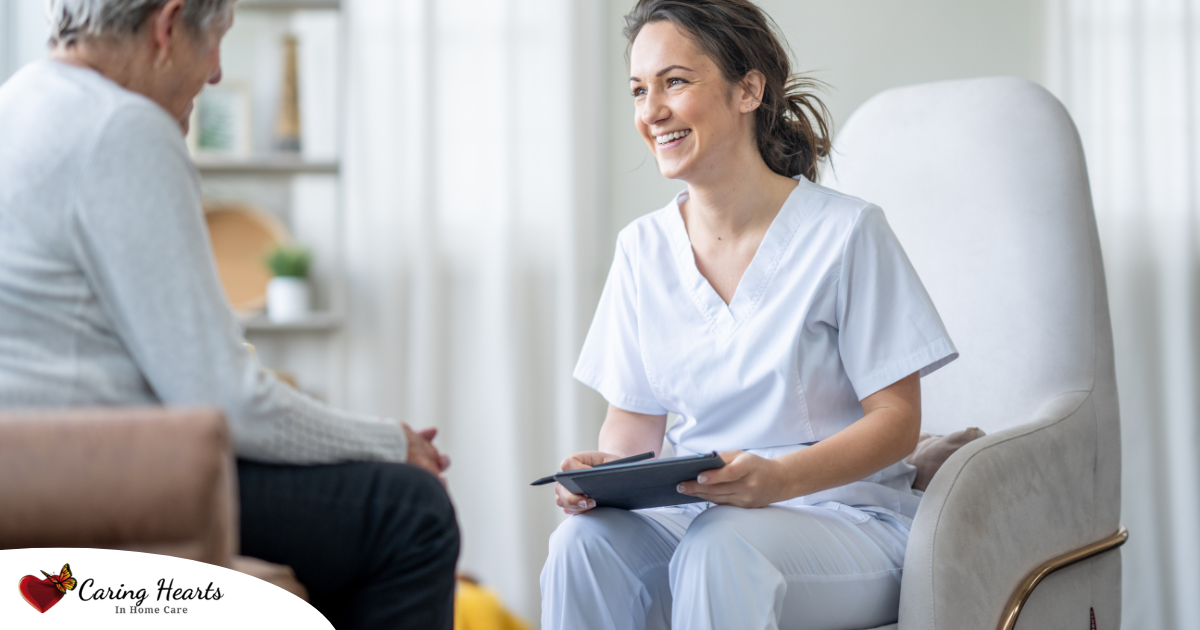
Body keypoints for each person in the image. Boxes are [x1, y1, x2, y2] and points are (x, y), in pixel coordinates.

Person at [0, 1, 458, 627]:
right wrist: (389, 442)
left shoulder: (22, 99)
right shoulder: (122, 127)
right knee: (411, 512)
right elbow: (226, 402)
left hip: (29, 474)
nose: (216, 74)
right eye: (218, 42)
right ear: (168, 25)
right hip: (91, 484)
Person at [540, 1, 958, 629]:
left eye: (674, 81)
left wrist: (780, 479)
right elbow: (631, 433)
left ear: (749, 89)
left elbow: (898, 422)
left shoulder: (846, 233)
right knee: (582, 546)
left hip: (845, 521)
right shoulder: (641, 249)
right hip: (699, 519)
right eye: (638, 90)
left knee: (724, 547)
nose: (651, 111)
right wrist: (605, 479)